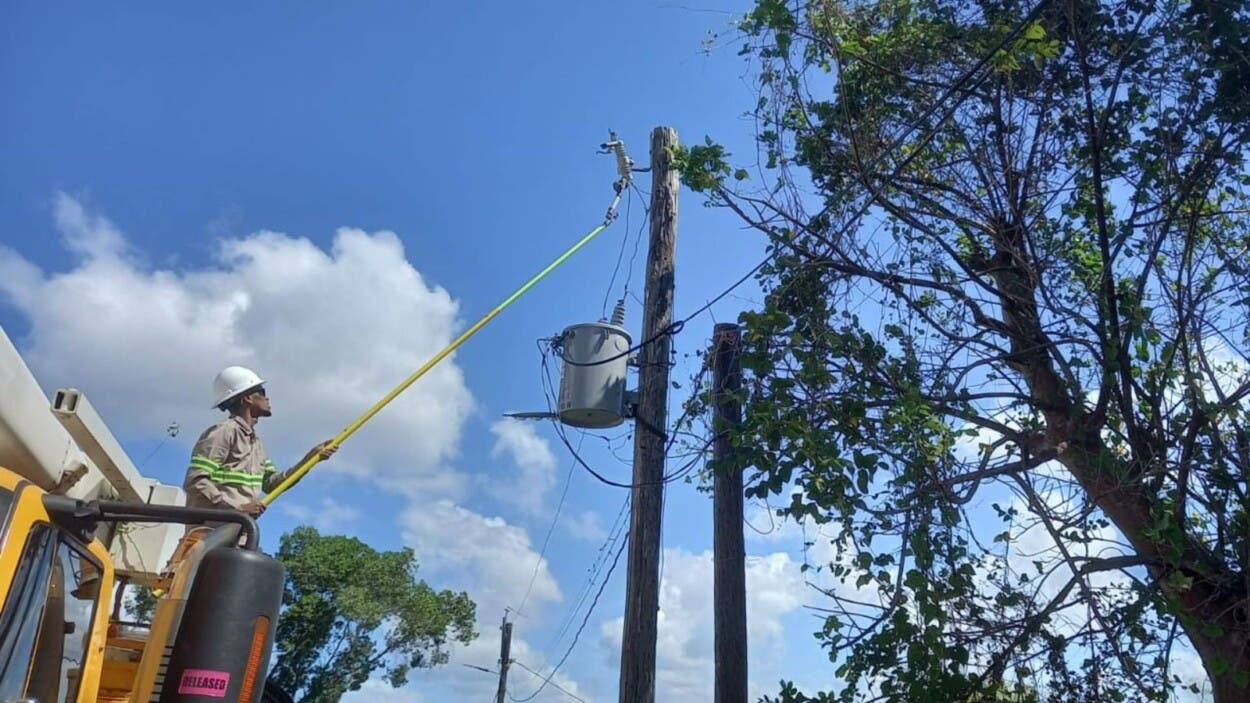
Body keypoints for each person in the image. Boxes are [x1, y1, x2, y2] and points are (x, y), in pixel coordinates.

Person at [184, 366, 337, 517]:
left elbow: (271, 483)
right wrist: (236, 508)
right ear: (247, 398)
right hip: (210, 531)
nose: (267, 398)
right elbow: (196, 481)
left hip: (238, 531)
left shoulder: (256, 444)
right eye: (262, 392)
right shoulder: (223, 432)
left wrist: (310, 459)